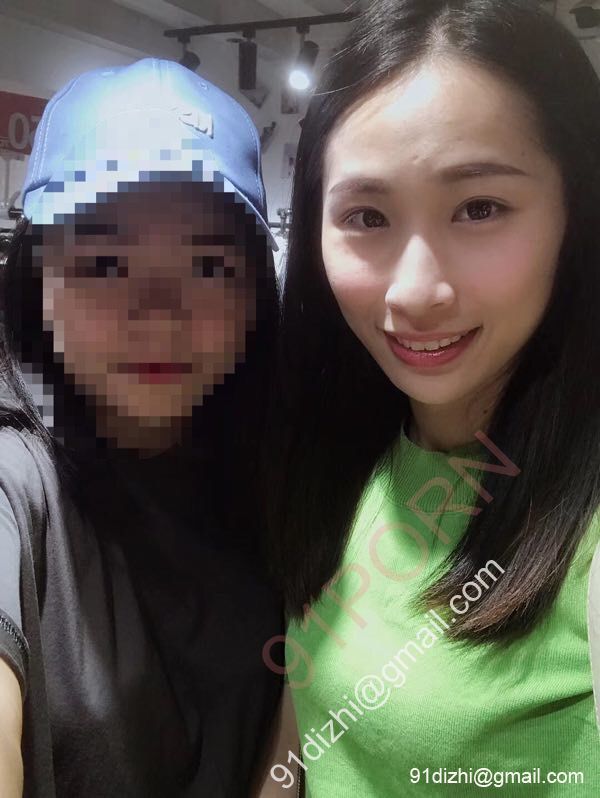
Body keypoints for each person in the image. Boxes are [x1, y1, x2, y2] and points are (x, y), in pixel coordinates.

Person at [261, 1, 600, 795]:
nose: (414, 292)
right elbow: (302, 738)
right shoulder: (342, 459)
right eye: (366, 216)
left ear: (576, 213)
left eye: (480, 208)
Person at [0, 58, 283, 797]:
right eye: (104, 262)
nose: (158, 317)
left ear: (256, 294)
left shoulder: (280, 478)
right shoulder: (17, 486)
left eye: (209, 266)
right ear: (36, 280)